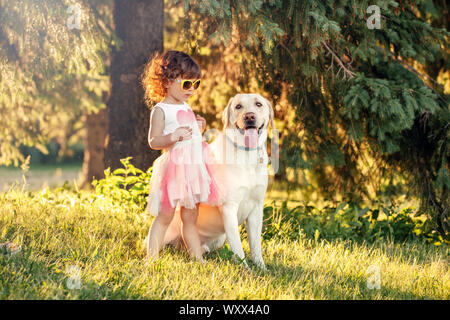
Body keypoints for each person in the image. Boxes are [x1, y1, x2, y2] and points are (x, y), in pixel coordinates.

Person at [141, 50, 221, 263]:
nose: (192, 90)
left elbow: (190, 136)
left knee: (190, 217)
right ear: (167, 81)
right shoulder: (161, 110)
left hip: (193, 168)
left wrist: (198, 129)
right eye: (187, 84)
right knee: (165, 215)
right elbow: (154, 141)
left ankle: (198, 258)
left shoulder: (185, 106)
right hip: (174, 170)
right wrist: (172, 136)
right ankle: (151, 258)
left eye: (196, 85)